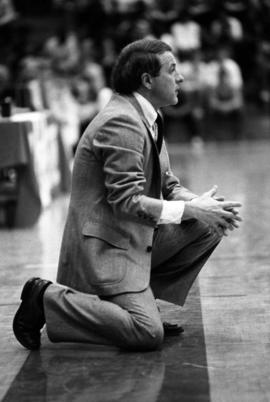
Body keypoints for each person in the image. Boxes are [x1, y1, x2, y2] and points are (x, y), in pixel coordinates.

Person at [13, 39, 241, 352]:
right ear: (147, 80)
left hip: (129, 236)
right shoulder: (122, 122)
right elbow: (127, 200)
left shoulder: (150, 116)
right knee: (146, 334)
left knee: (209, 225)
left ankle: (142, 298)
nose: (181, 78)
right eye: (172, 71)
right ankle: (46, 298)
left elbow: (169, 183)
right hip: (104, 248)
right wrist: (191, 210)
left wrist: (202, 205)